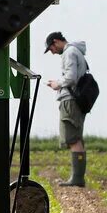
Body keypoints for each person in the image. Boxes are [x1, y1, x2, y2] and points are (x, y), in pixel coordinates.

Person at [44, 31, 89, 187]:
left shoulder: (69, 52)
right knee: (75, 137)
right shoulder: (76, 51)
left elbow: (71, 77)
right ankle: (77, 177)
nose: (52, 52)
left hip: (70, 101)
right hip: (75, 100)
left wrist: (57, 83)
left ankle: (77, 178)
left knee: (72, 138)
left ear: (56, 42)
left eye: (51, 48)